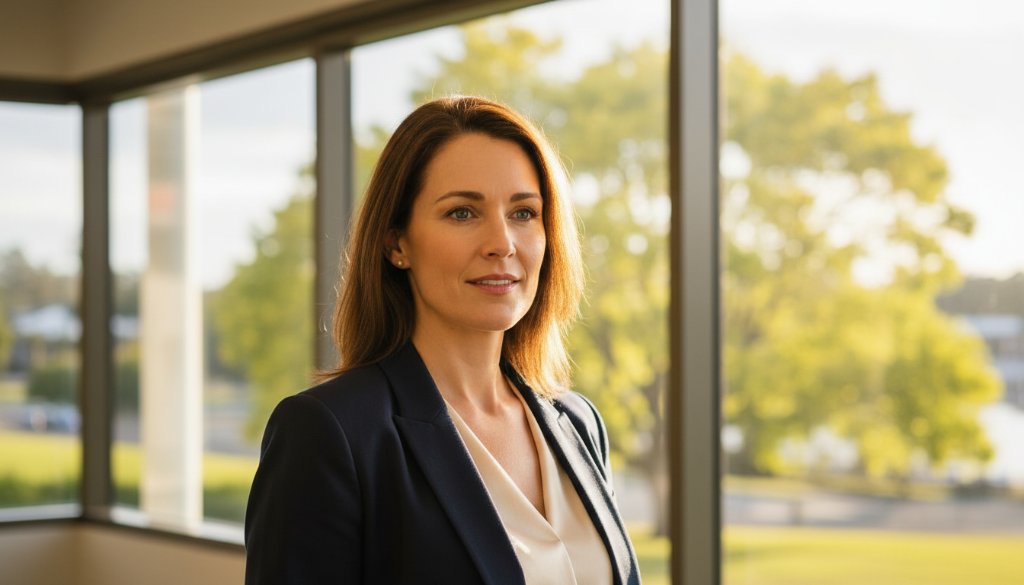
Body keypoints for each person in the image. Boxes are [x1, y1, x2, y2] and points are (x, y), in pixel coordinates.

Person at [244, 96, 641, 585]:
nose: (502, 242)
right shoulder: (330, 434)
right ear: (397, 244)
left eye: (523, 213)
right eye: (462, 213)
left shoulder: (577, 422)